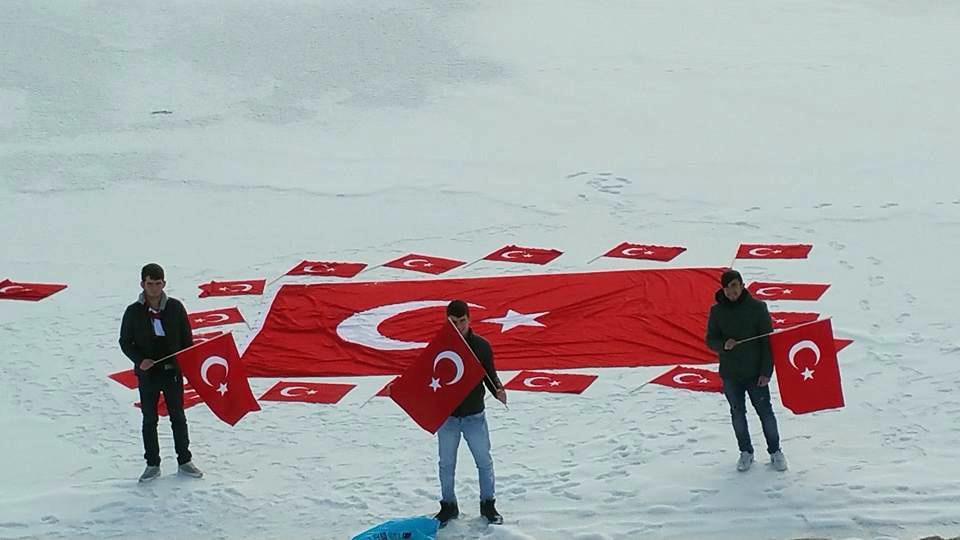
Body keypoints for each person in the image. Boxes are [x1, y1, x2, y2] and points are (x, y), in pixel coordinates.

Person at [119, 263, 203, 482]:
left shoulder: (175, 308)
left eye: (158, 283)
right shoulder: (133, 311)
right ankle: (152, 463)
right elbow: (125, 342)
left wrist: (182, 362)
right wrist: (139, 360)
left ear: (164, 284)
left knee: (178, 417)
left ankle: (184, 460)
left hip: (172, 373)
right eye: (150, 284)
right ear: (142, 284)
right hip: (148, 376)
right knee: (149, 419)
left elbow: (187, 340)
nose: (154, 288)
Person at [705, 269, 787, 472]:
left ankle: (775, 451)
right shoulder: (717, 311)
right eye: (727, 287)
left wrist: (766, 372)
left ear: (742, 285)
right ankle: (746, 452)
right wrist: (724, 344)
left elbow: (768, 342)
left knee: (765, 413)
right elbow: (710, 340)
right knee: (737, 414)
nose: (731, 291)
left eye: (734, 286)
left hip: (755, 374)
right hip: (731, 374)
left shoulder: (758, 308)